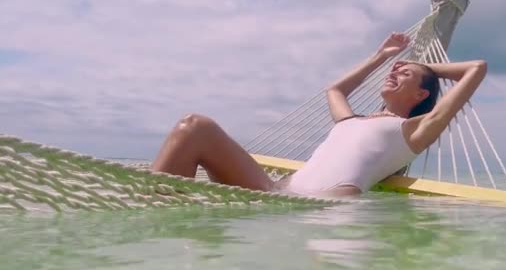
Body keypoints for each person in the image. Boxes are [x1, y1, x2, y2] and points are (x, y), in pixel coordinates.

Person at [151, 32, 487, 197]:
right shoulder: (351, 121)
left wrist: (421, 64)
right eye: (393, 70)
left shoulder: (413, 131)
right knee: (195, 127)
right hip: (276, 192)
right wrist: (381, 56)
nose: (394, 72)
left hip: (321, 208)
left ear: (422, 95)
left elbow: (476, 67)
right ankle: (148, 208)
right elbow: (335, 91)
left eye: (405, 75)